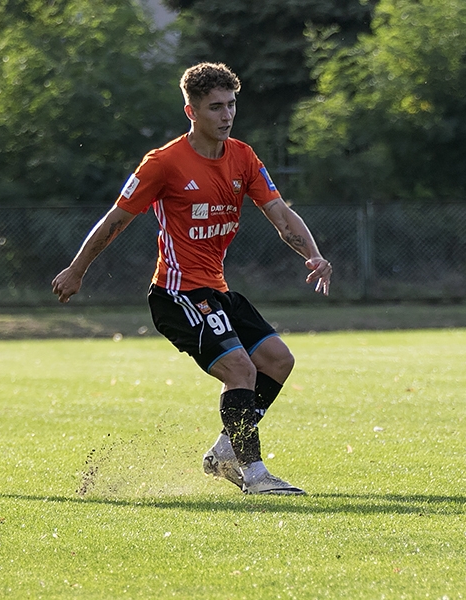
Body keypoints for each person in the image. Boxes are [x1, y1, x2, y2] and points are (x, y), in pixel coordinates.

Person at [52, 62, 331, 495]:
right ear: (192, 112)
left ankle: (224, 451)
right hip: (177, 294)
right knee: (240, 369)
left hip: (216, 290)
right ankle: (255, 476)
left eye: (231, 104)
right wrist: (77, 269)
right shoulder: (163, 163)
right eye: (215, 106)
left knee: (277, 360)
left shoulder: (243, 156)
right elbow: (115, 220)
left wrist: (312, 254)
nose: (226, 115)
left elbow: (279, 213)